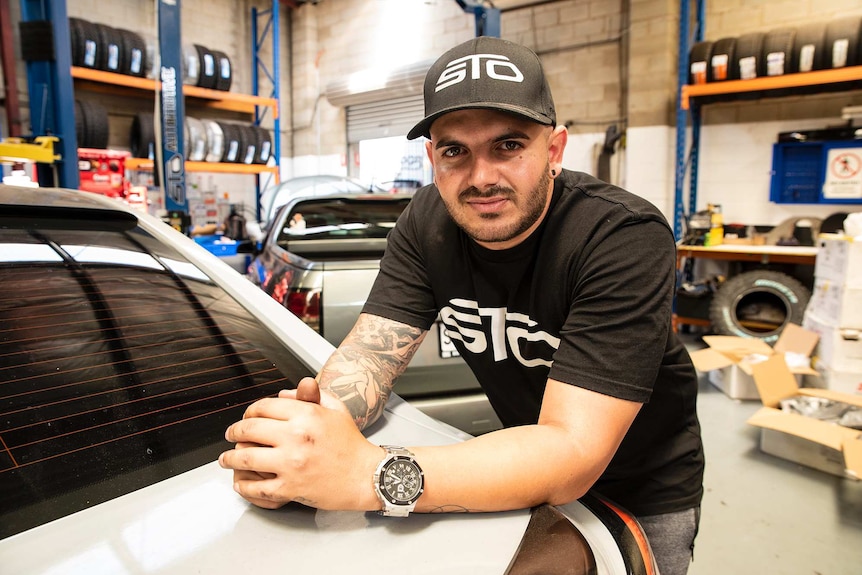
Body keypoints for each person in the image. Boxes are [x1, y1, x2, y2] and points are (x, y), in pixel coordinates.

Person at [219, 36, 704, 575]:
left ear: (555, 151)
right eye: (455, 151)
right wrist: (311, 440)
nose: (481, 178)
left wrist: (365, 475)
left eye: (508, 146)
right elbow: (368, 360)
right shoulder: (427, 222)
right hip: (515, 465)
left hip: (641, 488)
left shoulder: (620, 236)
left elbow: (572, 451)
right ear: (432, 158)